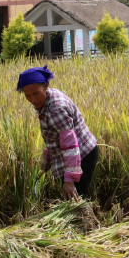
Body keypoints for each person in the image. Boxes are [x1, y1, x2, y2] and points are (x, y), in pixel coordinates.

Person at [17, 66, 99, 200]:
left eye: (36, 93)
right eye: (28, 95)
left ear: (45, 85)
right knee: (72, 200)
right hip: (76, 154)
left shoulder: (56, 109)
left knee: (74, 201)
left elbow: (71, 146)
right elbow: (56, 134)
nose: (33, 99)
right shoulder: (47, 98)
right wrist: (48, 156)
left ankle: (83, 220)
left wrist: (70, 180)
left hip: (81, 156)